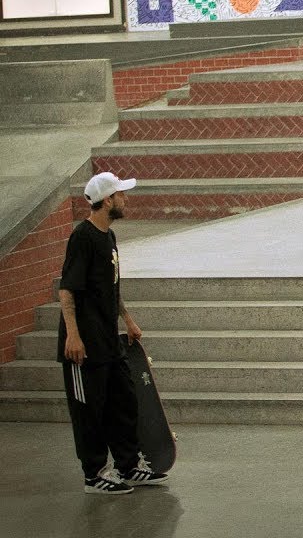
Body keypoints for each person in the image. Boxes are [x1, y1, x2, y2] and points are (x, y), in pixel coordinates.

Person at [58, 171, 168, 495]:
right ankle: (94, 475)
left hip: (108, 339)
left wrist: (128, 320)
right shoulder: (83, 237)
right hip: (84, 345)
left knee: (123, 402)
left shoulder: (109, 237)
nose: (125, 199)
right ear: (107, 201)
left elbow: (112, 287)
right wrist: (73, 335)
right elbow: (67, 290)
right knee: (89, 412)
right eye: (121, 194)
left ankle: (128, 466)